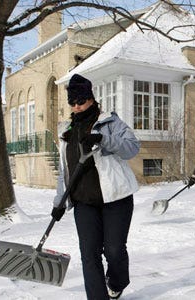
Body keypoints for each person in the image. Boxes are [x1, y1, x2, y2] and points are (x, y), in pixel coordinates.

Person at [51, 74, 140, 299]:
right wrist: (59, 202)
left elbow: (132, 148)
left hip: (115, 199)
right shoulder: (66, 131)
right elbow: (65, 171)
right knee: (89, 255)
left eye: (81, 100)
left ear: (91, 99)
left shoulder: (110, 122)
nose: (77, 106)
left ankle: (117, 282)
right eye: (72, 102)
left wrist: (102, 139)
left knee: (114, 251)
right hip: (83, 202)